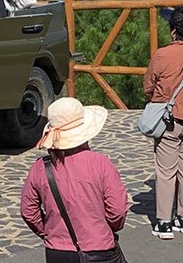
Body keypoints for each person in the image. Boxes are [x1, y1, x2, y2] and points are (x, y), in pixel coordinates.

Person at [20, 97, 128, 263]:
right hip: (99, 248)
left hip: (57, 251)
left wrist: (49, 231)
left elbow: (28, 211)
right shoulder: (100, 163)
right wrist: (105, 228)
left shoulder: (40, 168)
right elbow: (118, 210)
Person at [143, 6, 183, 239]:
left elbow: (148, 86)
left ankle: (164, 222)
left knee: (166, 171)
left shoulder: (162, 54)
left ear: (173, 30)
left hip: (170, 118)